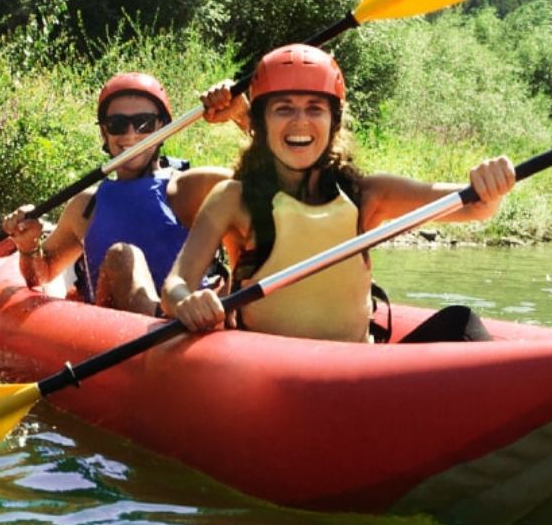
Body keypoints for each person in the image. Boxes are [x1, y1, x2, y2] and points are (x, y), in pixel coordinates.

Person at [161, 44, 516, 343]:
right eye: (284, 108)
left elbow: (475, 208)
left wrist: (491, 184)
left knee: (461, 323)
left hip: (354, 371)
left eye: (314, 108)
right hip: (271, 371)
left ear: (334, 121)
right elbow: (175, 285)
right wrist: (185, 301)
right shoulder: (232, 198)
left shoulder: (367, 195)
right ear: (261, 122)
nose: (300, 121)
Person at [0, 73, 242, 314]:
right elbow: (40, 276)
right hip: (119, 331)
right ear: (105, 133)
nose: (130, 134)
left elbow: (261, 188)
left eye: (144, 123)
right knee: (122, 258)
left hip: (193, 323)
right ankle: (160, 316)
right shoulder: (85, 207)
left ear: (162, 128)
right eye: (118, 124)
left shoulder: (189, 188)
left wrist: (243, 115)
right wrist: (28, 245)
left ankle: (178, 315)